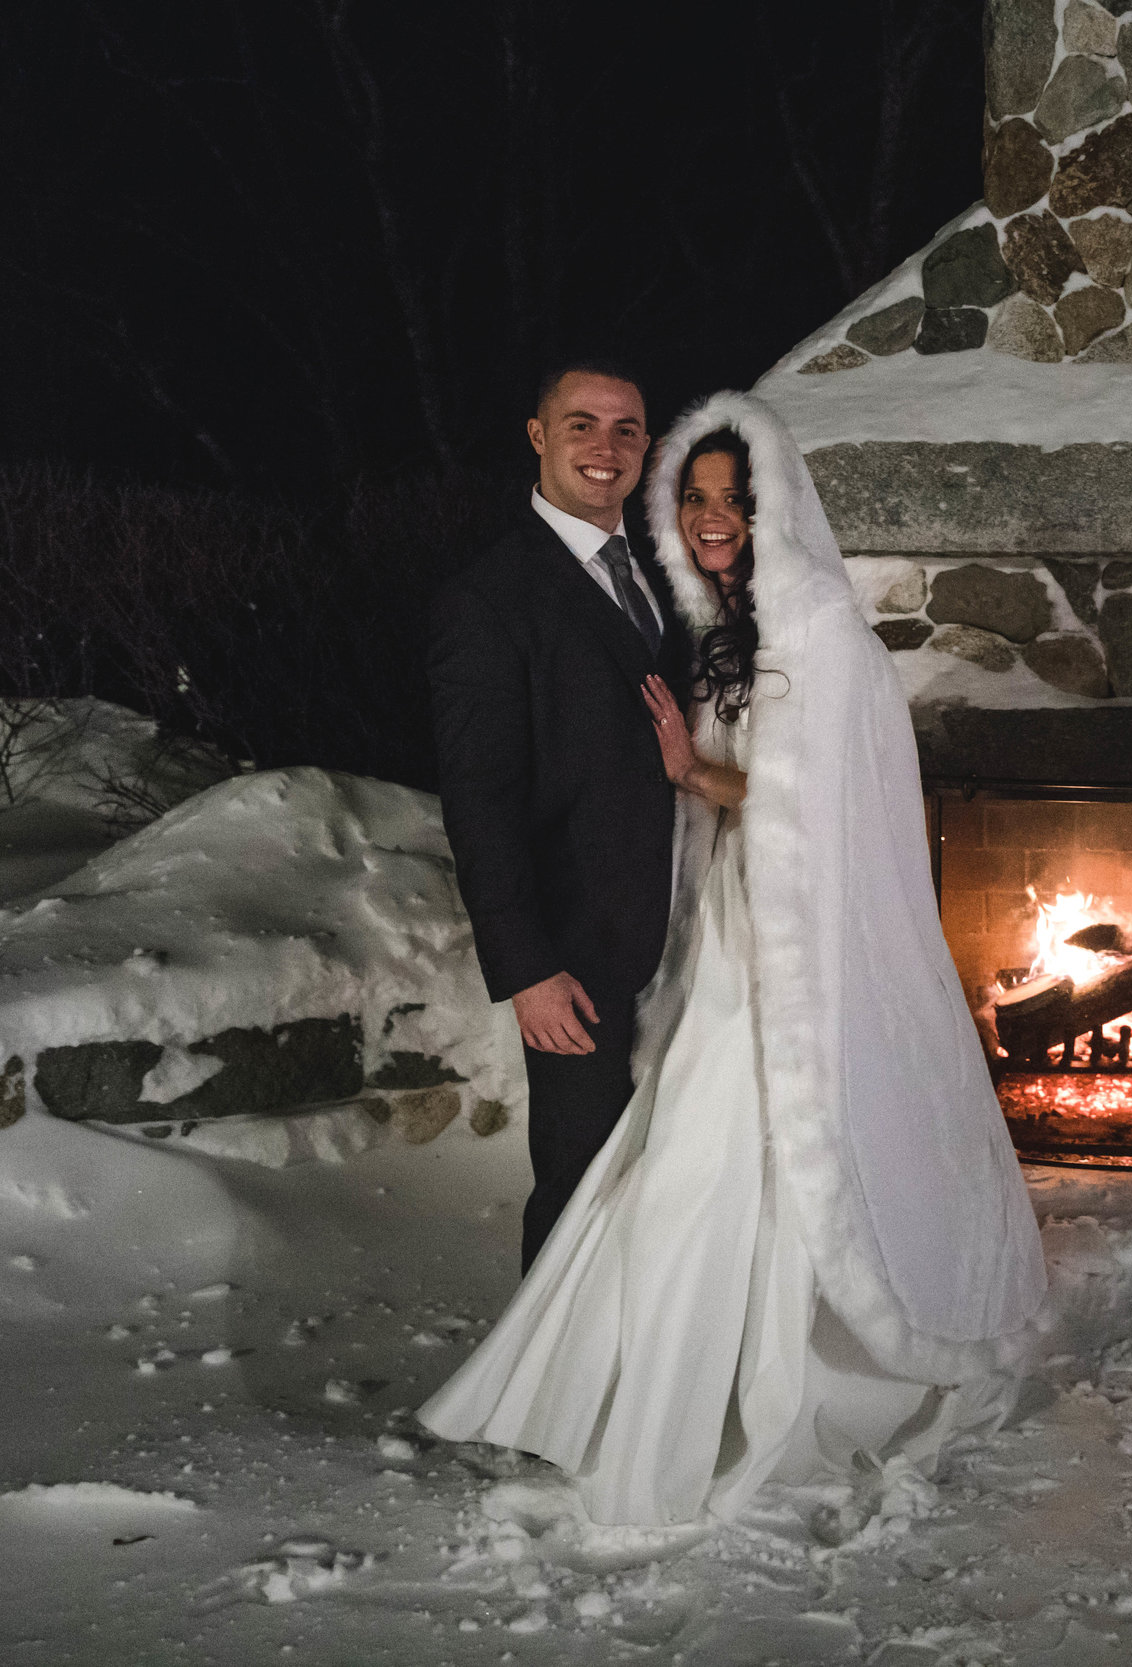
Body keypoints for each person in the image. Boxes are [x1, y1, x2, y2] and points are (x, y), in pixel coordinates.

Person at [420, 391, 1048, 1527]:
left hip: (789, 941)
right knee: (651, 1159)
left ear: (775, 505)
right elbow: (488, 795)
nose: (713, 517)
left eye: (733, 498)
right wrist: (531, 953)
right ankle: (606, 1390)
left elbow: (843, 812)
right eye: (697, 497)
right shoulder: (694, 614)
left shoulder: (819, 628)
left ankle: (682, 1398)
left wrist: (698, 773)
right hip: (699, 932)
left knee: (720, 1158)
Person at [427, 360, 690, 1272]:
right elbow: (480, 800)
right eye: (581, 425)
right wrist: (528, 967)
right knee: (579, 1183)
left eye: (626, 429)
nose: (605, 448)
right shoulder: (489, 600)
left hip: (689, 933)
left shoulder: (666, 570)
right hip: (579, 953)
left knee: (672, 1178)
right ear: (537, 437)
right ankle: (542, 1408)